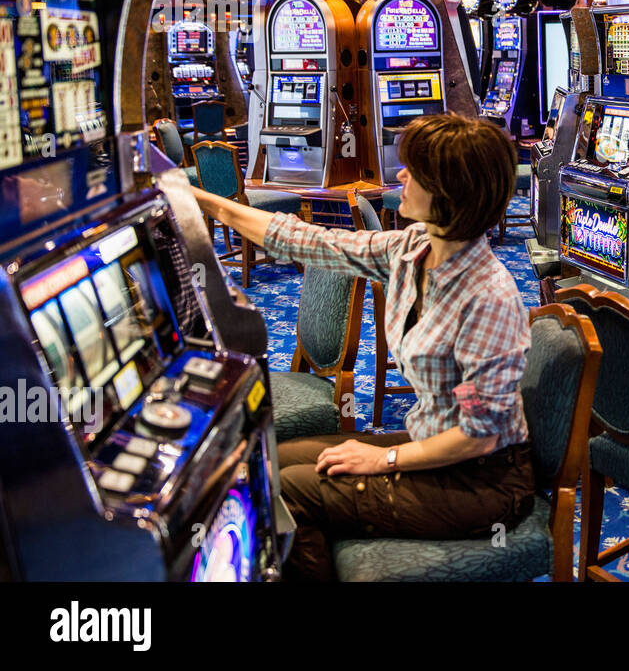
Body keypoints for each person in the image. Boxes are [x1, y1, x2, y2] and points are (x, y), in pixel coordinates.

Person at [190, 113, 532, 581]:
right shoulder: (414, 247)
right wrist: (204, 203)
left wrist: (381, 458)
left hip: (482, 477)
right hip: (430, 439)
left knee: (292, 491)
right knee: (266, 465)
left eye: (416, 172)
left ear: (451, 193)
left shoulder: (488, 297)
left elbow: (480, 434)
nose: (400, 176)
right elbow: (312, 241)